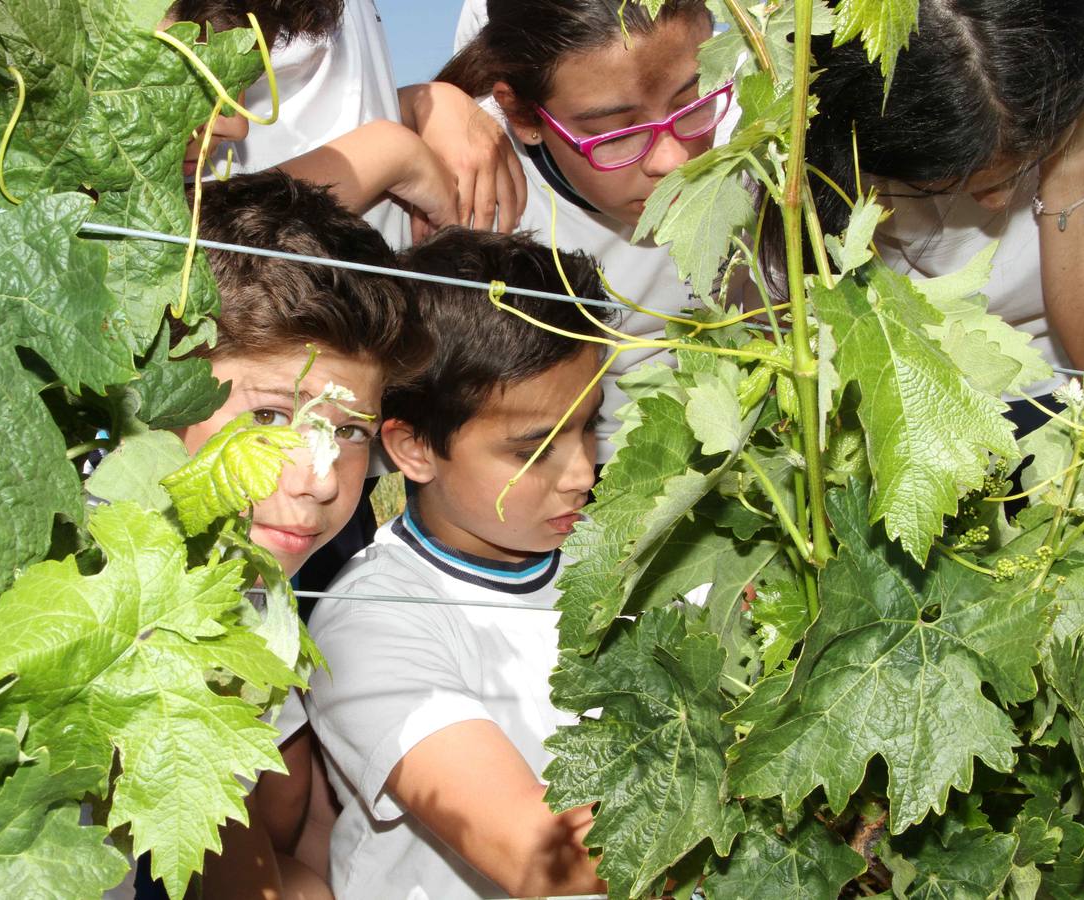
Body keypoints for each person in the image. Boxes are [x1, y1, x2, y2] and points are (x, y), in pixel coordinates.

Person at [303, 228, 613, 899]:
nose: (582, 473)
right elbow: (544, 862)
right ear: (413, 449)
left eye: (590, 424)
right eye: (535, 450)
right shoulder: (370, 623)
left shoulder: (644, 560)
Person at [163, 170, 427, 899]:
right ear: (159, 387)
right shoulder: (121, 597)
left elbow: (294, 850)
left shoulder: (262, 596)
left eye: (348, 431)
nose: (317, 478)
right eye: (272, 418)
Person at [437, 0, 734, 460]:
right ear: (522, 116)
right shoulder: (477, 193)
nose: (672, 160)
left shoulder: (766, 134)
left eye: (695, 101)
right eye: (615, 135)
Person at [798, 0, 1084, 395]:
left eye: (1030, 158)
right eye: (940, 183)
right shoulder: (812, 131)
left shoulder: (1076, 88)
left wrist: (1072, 158)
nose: (997, 202)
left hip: (1063, 391)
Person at [173, 0, 527, 248]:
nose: (236, 124)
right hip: (272, 316)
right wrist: (389, 156)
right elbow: (174, 243)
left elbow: (322, 102)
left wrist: (416, 104)